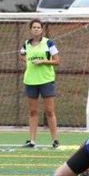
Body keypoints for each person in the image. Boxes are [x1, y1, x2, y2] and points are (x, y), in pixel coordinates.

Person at [20, 19, 60, 148]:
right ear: (30, 30)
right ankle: (32, 140)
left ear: (42, 29)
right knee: (33, 111)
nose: (36, 29)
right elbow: (22, 54)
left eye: (38, 27)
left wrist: (43, 61)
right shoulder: (26, 44)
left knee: (49, 111)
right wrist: (27, 61)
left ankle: (55, 140)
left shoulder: (49, 43)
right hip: (31, 80)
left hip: (46, 80)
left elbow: (57, 61)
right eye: (34, 27)